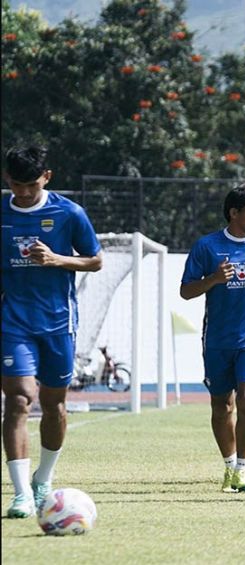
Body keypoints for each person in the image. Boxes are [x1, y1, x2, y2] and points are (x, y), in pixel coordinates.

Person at [2, 146, 103, 518]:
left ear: (47, 177)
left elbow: (95, 260)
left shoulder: (69, 213)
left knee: (54, 405)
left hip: (59, 322)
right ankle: (20, 494)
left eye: (30, 184)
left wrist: (57, 259)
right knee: (18, 398)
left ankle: (43, 479)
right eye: (15, 184)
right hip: (12, 321)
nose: (23, 193)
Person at [180, 183, 245, 493]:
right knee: (221, 406)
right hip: (217, 339)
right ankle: (228, 466)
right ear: (234, 213)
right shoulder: (207, 246)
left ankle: (243, 469)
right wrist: (213, 279)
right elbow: (186, 291)